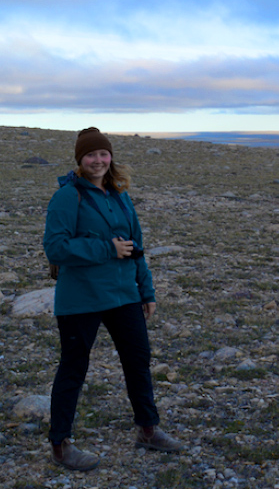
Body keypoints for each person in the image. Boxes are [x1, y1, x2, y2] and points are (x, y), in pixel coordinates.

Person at [43, 127, 183, 471]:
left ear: (110, 157)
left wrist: (146, 291)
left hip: (123, 295)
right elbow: (55, 247)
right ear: (80, 160)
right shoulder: (68, 196)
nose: (98, 160)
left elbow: (136, 248)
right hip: (81, 298)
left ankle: (148, 430)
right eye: (91, 155)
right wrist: (107, 248)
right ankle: (60, 445)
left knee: (138, 361)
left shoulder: (119, 195)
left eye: (103, 154)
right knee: (74, 368)